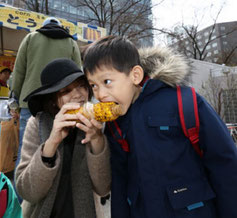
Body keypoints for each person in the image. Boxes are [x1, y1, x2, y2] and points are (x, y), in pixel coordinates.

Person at [83, 35, 237, 218]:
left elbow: (225, 163)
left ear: (135, 75)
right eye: (93, 85)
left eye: (107, 82)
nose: (100, 94)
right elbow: (120, 182)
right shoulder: (115, 124)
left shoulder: (183, 101)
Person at [15, 58, 111, 217]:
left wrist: (96, 139)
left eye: (81, 86)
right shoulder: (37, 125)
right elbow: (28, 192)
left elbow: (103, 187)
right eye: (65, 91)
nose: (78, 95)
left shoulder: (99, 124)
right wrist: (52, 142)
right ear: (53, 101)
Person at [12, 17, 82, 168]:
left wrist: (15, 98)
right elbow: (78, 73)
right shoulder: (71, 42)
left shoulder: (30, 38)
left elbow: (18, 72)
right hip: (60, 104)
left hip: (29, 101)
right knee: (57, 149)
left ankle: (21, 191)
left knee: (25, 150)